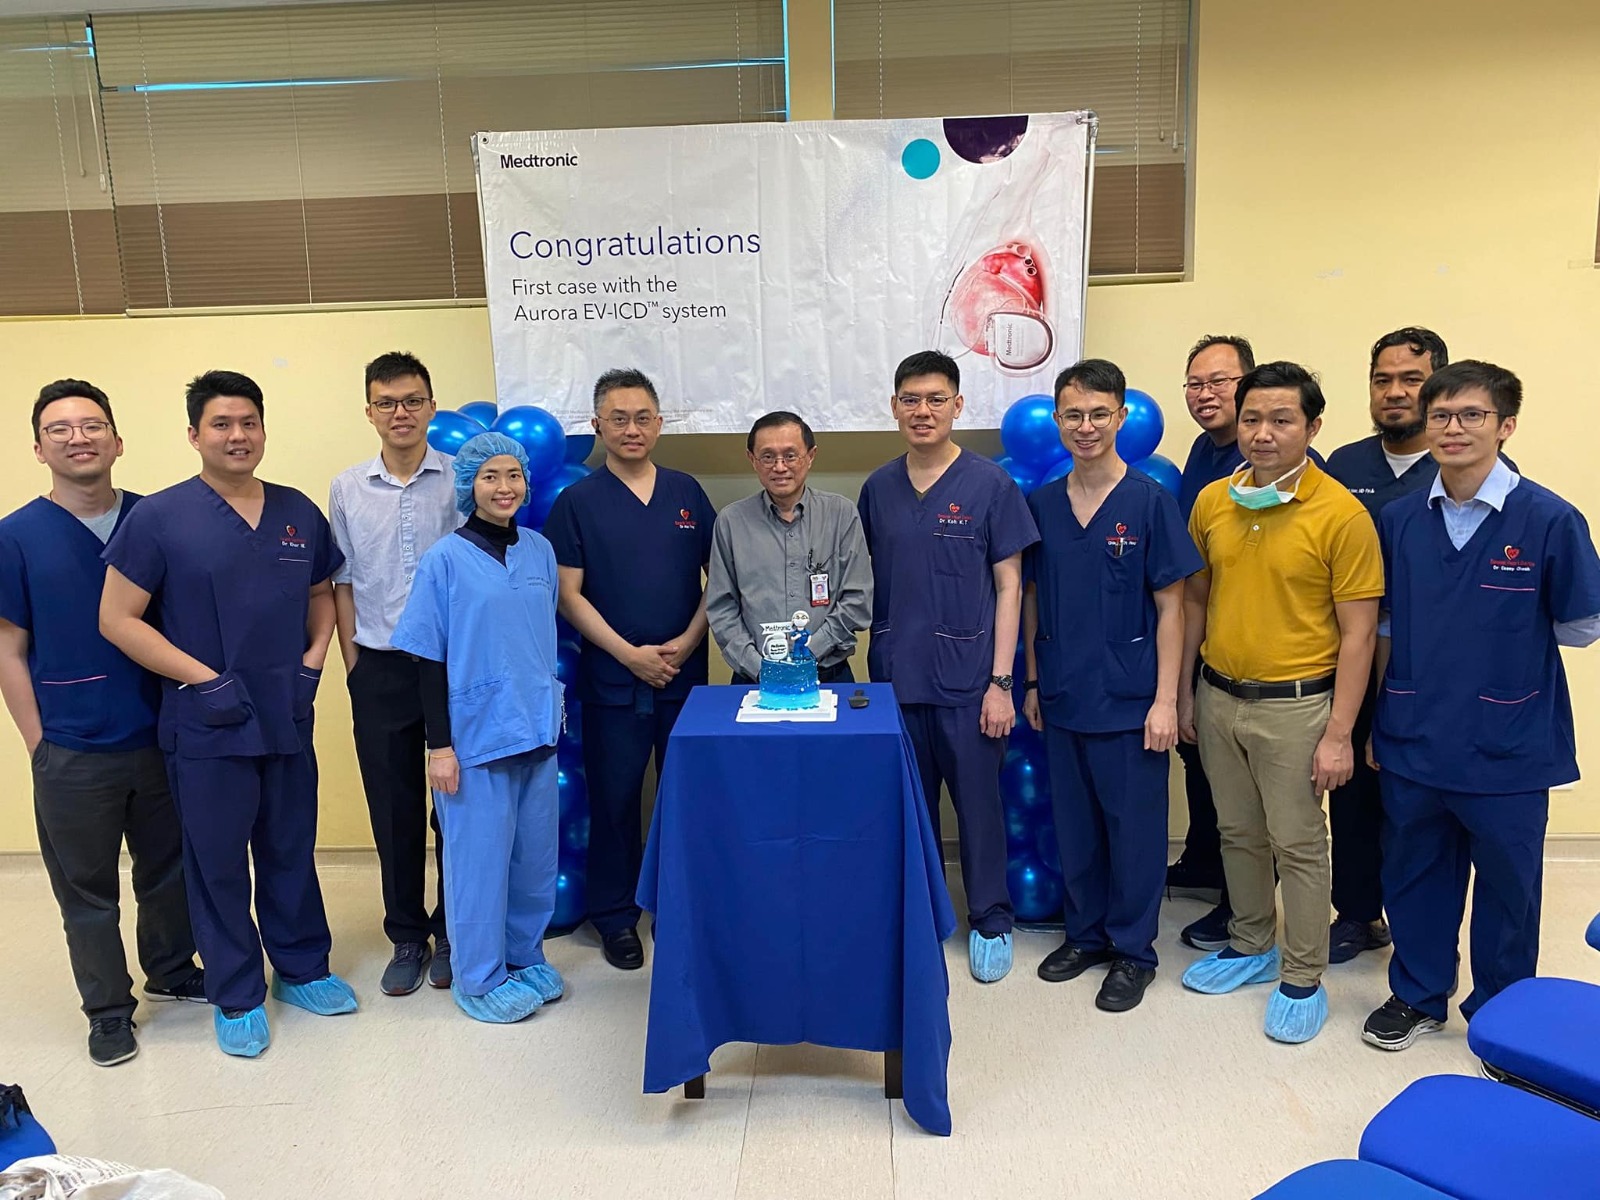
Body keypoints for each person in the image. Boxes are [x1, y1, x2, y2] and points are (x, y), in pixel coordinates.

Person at [100, 369, 356, 1059]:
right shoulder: (159, 518)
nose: (237, 435)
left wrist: (313, 662)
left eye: (249, 422)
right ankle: (237, 993)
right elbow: (117, 619)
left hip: (285, 714)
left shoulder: (297, 511)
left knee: (289, 847)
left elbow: (323, 594)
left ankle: (301, 968)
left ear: (264, 429)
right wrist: (202, 679)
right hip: (207, 723)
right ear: (194, 435)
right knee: (216, 862)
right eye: (221, 424)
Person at [1364, 361, 1600, 1050]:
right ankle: (1417, 994)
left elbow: (1581, 625)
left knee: (1508, 887)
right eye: (1441, 415)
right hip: (1414, 732)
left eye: (1472, 415)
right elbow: (1383, 626)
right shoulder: (1400, 519)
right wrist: (1377, 719)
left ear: (1506, 426)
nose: (1453, 428)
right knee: (1414, 872)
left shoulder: (1549, 518)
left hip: (1509, 743)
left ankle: (1502, 1013)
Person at [1177, 361, 1382, 1044]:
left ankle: (1302, 973)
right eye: (1252, 419)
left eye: (1281, 420)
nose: (1262, 433)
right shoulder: (1214, 501)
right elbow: (1197, 601)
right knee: (1237, 832)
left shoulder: (1341, 515)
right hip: (1219, 694)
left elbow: (1359, 634)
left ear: (1313, 426)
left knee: (1297, 843)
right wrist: (1185, 693)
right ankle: (1251, 941)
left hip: (1298, 707)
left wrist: (1339, 734)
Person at [0, 380, 202, 1068]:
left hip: (163, 736)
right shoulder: (16, 537)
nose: (77, 437)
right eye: (59, 429)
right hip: (72, 747)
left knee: (170, 869)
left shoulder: (157, 519)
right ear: (38, 449)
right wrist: (39, 744)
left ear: (117, 441)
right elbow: (9, 648)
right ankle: (109, 1011)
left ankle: (172, 971)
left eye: (91, 426)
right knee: (86, 892)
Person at [1021, 360, 1201, 1012]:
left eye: (1099, 413)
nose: (1086, 426)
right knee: (1076, 829)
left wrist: (1165, 700)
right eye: (1073, 414)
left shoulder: (1148, 502)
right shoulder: (1043, 505)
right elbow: (1032, 599)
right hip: (1064, 693)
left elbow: (1172, 608)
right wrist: (1034, 681)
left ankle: (1133, 952)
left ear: (1121, 417)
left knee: (1134, 833)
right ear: (1057, 420)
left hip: (1131, 702)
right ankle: (1086, 936)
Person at [858, 350, 1039, 983]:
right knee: (911, 809)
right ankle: (926, 917)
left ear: (958, 405)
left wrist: (1001, 683)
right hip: (897, 678)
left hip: (969, 682)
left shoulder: (990, 485)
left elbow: (1011, 587)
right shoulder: (878, 488)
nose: (923, 410)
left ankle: (991, 917)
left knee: (979, 809)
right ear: (894, 407)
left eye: (937, 399)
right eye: (911, 399)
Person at [391, 432, 566, 1024]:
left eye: (513, 475)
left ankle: (523, 955)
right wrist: (439, 746)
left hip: (536, 727)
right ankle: (479, 977)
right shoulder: (444, 560)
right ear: (470, 485)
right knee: (478, 866)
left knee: (533, 862)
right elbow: (428, 658)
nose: (503, 487)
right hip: (475, 739)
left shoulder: (539, 551)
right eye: (490, 476)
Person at [544, 369, 714, 971]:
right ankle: (615, 916)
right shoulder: (578, 502)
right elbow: (568, 595)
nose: (632, 429)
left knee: (685, 798)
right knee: (615, 802)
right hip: (614, 680)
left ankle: (680, 907)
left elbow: (719, 581)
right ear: (598, 426)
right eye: (618, 419)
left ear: (659, 424)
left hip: (684, 678)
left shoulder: (687, 494)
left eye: (643, 418)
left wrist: (687, 643)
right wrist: (629, 654)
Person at [330, 351, 461, 997]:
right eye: (387, 402)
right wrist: (354, 664)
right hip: (378, 668)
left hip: (451, 669)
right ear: (369, 412)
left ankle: (453, 929)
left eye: (412, 400)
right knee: (393, 810)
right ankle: (407, 934)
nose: (400, 412)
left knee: (455, 808)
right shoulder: (347, 487)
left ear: (432, 406)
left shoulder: (460, 478)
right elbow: (342, 580)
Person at [1321, 327, 1449, 965]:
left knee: (1420, 807)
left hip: (1431, 670)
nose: (1395, 392)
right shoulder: (1343, 466)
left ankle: (1423, 928)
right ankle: (1358, 914)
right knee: (1353, 799)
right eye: (1382, 380)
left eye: (1411, 380)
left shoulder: (1462, 466)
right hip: (1352, 660)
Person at [707, 411, 871, 686]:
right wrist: (760, 667)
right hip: (756, 678)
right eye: (768, 456)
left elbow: (857, 600)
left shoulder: (841, 514)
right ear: (752, 459)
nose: (780, 467)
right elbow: (722, 608)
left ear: (811, 455)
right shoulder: (731, 522)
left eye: (790, 455)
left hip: (828, 675)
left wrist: (806, 654)